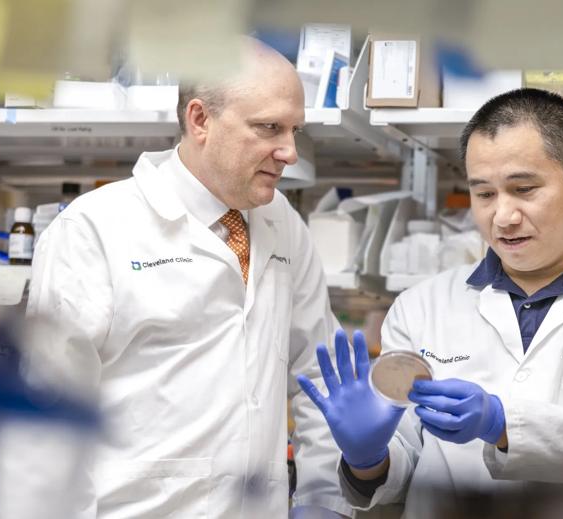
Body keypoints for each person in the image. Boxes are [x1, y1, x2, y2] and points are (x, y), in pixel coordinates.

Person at [299, 88, 563, 519]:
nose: (503, 217)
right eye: (484, 194)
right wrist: (366, 459)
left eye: (524, 189)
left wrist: (501, 421)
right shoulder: (421, 306)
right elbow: (408, 459)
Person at [25, 38, 351, 518]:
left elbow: (317, 379)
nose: (289, 152)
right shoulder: (95, 229)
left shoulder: (282, 223)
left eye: (294, 130)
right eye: (269, 128)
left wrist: (324, 501)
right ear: (200, 120)